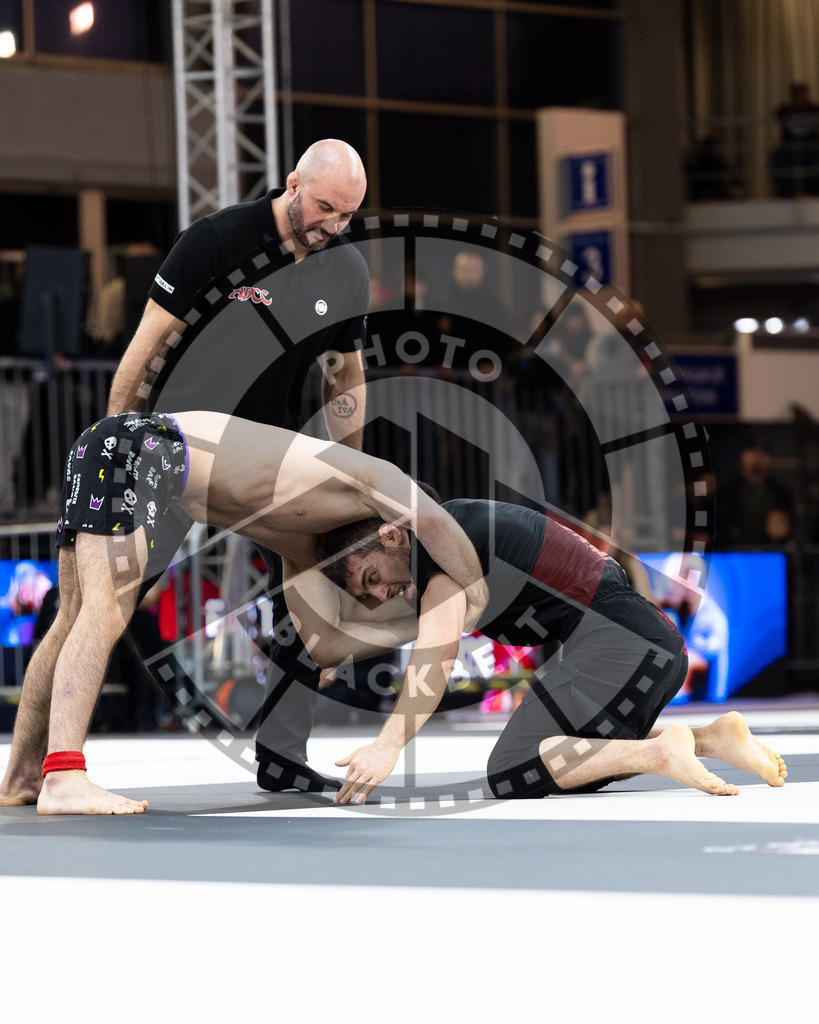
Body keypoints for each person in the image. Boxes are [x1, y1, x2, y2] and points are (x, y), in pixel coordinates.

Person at [0, 411, 487, 814]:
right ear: (393, 534)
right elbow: (431, 516)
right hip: (143, 449)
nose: (383, 596)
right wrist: (474, 595)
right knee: (102, 612)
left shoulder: (305, 550)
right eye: (389, 582)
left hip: (124, 453)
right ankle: (62, 774)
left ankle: (21, 774)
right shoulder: (373, 479)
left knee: (75, 616)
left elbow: (326, 646)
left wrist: (422, 626)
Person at [105, 139, 371, 793]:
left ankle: (282, 753)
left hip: (265, 454)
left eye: (346, 216)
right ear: (291, 184)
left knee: (308, 575)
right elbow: (143, 348)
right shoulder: (217, 241)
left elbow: (347, 375)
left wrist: (352, 471)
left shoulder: (344, 269)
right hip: (175, 447)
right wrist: (113, 441)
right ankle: (42, 754)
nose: (331, 225)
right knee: (105, 594)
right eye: (323, 207)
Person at [289, 496, 787, 804]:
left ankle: (661, 751)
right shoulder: (448, 543)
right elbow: (336, 646)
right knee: (565, 744)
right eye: (366, 594)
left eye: (373, 578)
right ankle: (710, 738)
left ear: (391, 535)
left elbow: (432, 661)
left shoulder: (439, 559)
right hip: (641, 644)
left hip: (624, 644)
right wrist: (286, 552)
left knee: (513, 767)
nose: (380, 595)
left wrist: (387, 745)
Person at [716, 437, 795, 546]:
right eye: (753, 451)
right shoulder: (727, 492)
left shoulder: (781, 493)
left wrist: (780, 533)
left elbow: (789, 534)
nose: (758, 457)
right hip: (732, 556)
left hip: (769, 554)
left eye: (763, 453)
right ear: (743, 455)